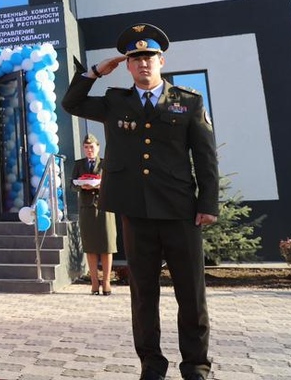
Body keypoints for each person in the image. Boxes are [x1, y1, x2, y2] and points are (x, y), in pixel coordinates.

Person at [61, 23, 219, 380]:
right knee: (143, 295)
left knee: (191, 295)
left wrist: (208, 203)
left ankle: (196, 366)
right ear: (128, 66)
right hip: (135, 211)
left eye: (149, 57)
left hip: (180, 211)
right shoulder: (116, 101)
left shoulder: (188, 101)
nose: (143, 63)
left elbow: (205, 156)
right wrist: (95, 71)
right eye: (135, 59)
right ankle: (151, 365)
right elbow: (71, 103)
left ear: (161, 61)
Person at [72, 133, 117, 295]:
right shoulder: (79, 164)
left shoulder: (105, 163)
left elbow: (113, 184)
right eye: (86, 147)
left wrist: (99, 186)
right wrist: (81, 186)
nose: (89, 150)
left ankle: (106, 282)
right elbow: (72, 184)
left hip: (104, 207)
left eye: (91, 147)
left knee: (107, 245)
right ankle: (94, 282)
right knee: (90, 246)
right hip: (87, 209)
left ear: (98, 147)